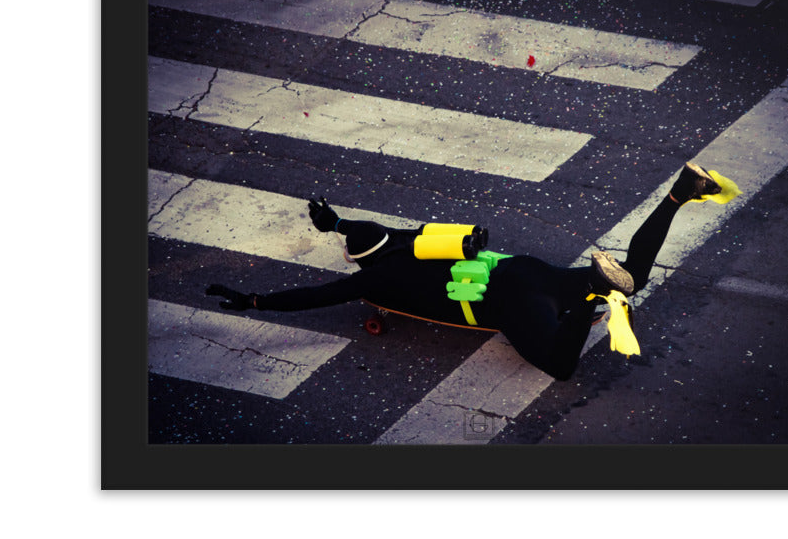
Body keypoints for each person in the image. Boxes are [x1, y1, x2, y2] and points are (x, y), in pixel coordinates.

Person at [206, 162, 733, 381]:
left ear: (358, 262)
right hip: (527, 272)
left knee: (561, 366)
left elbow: (315, 296)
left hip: (505, 304)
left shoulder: (370, 280)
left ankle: (597, 292)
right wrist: (336, 221)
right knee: (635, 275)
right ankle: (679, 192)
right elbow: (363, 229)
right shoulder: (415, 239)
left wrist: (254, 301)